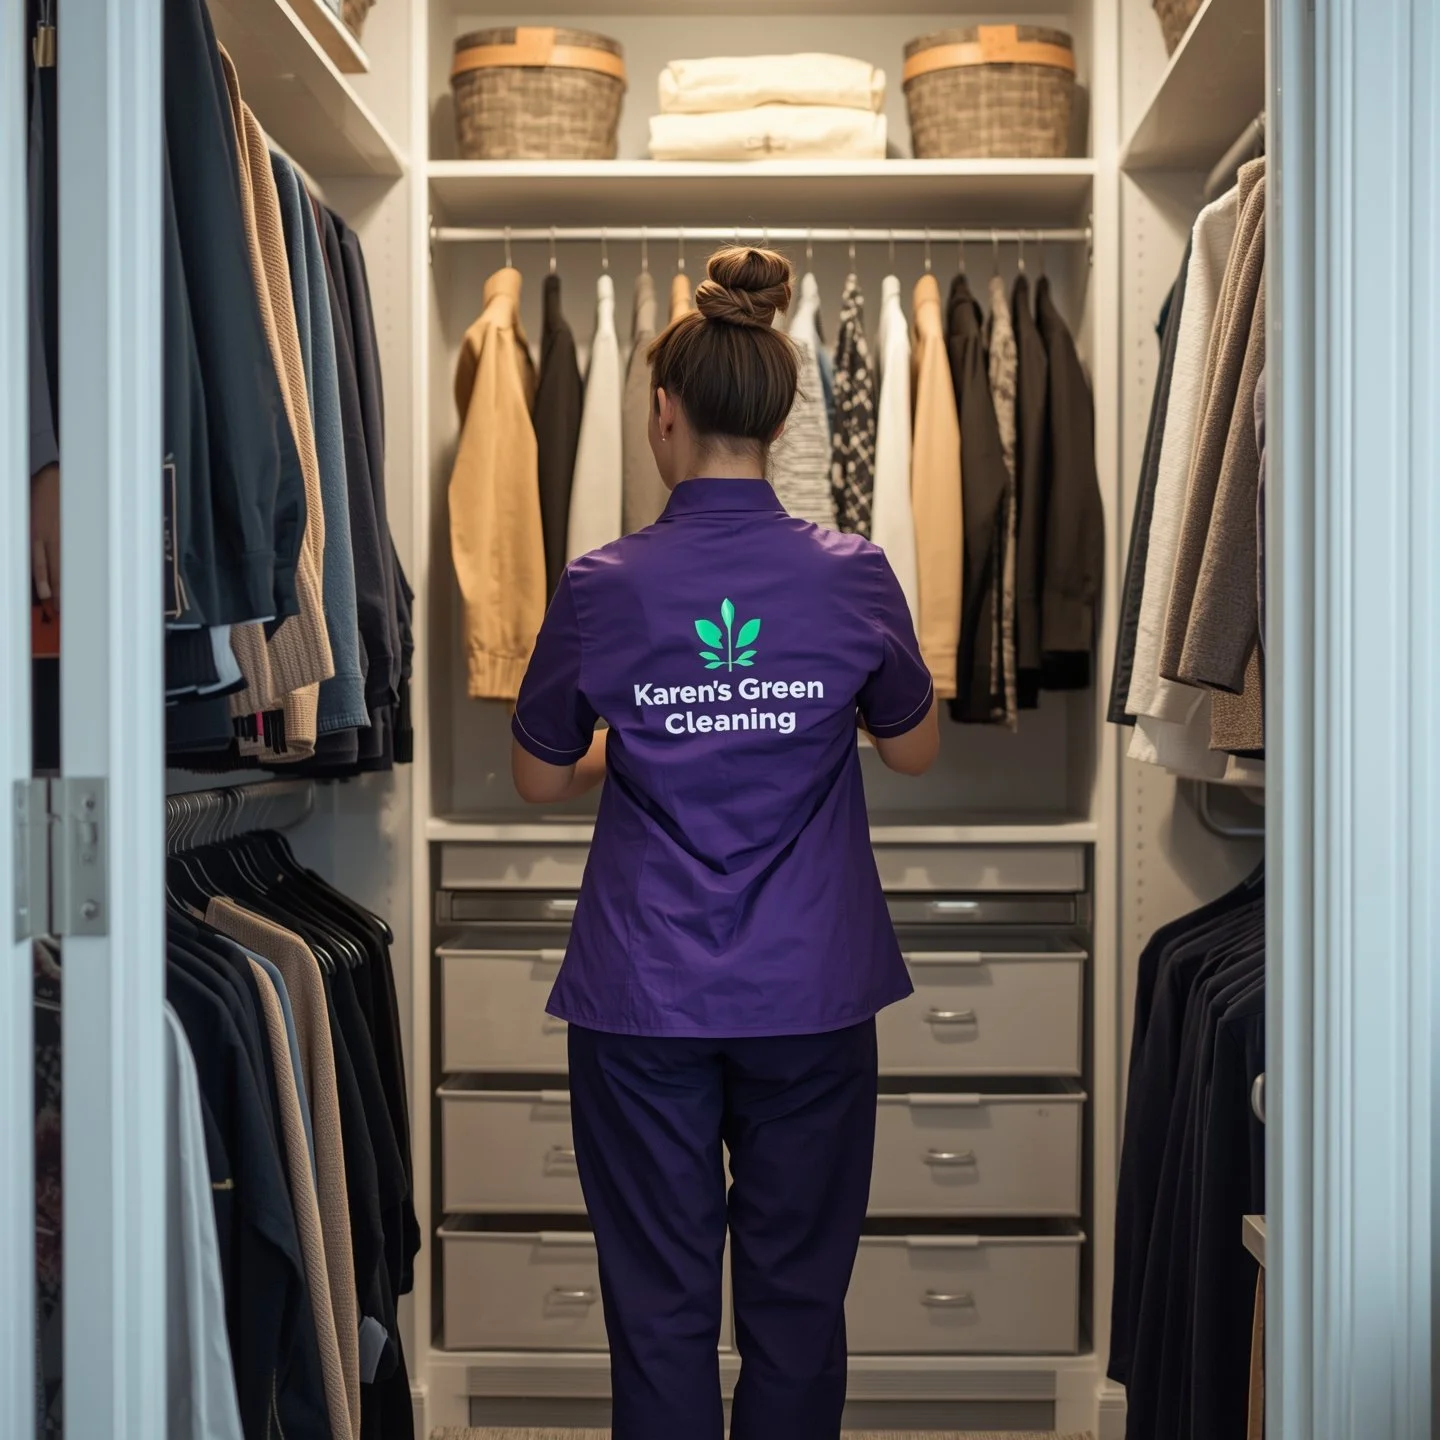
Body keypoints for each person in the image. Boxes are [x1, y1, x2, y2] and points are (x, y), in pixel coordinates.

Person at [509, 246, 939, 1440]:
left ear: (663, 412)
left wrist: (642, 736)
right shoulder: (856, 574)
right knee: (799, 1300)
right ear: (784, 409)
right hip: (812, 990)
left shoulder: (605, 582)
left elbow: (540, 775)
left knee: (658, 1302)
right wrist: (802, 716)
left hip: (645, 998)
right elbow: (910, 749)